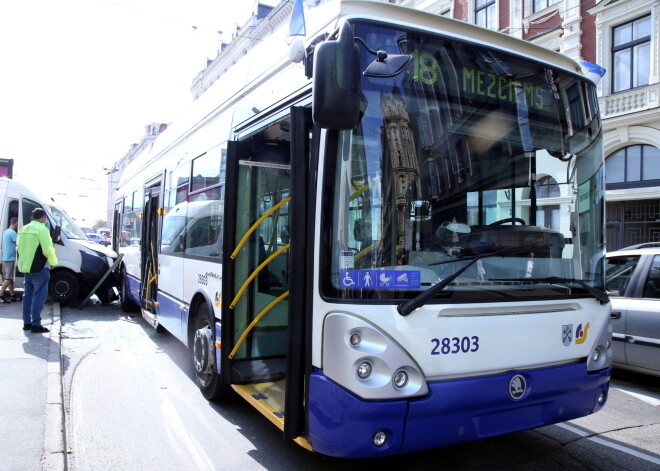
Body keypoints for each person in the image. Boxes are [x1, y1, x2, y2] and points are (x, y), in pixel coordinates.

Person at [17, 208, 58, 333]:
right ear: (43, 217)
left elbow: (19, 248)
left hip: (26, 268)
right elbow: (48, 249)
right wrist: (53, 262)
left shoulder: (23, 229)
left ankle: (26, 323)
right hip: (39, 268)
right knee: (38, 296)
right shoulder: (42, 230)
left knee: (27, 295)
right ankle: (36, 324)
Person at [0, 217, 19, 303]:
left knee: (10, 278)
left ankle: (13, 295)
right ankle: (0, 295)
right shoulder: (12, 233)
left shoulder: (6, 232)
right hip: (10, 258)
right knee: (7, 279)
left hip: (5, 257)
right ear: (15, 222)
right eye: (17, 223)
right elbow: (18, 243)